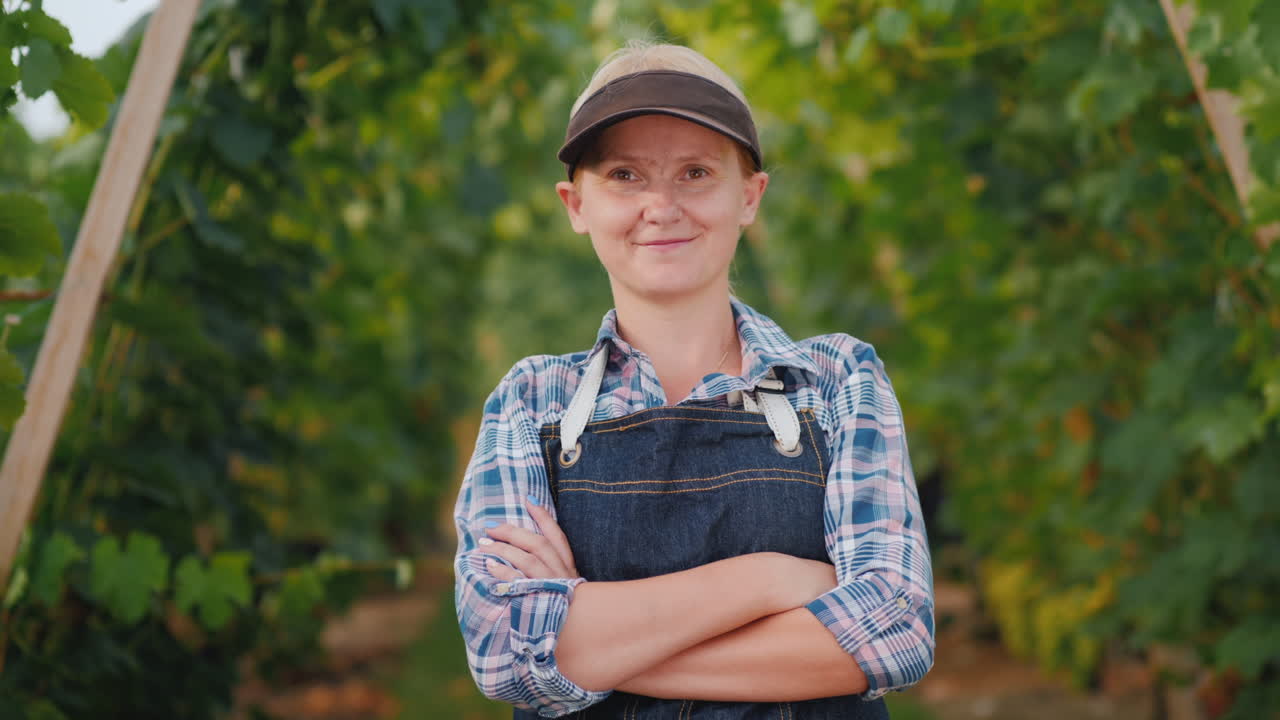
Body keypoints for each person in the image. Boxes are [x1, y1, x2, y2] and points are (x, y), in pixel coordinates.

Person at [453, 42, 934, 719]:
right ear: (576, 204)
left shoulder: (835, 382)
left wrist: (593, 640)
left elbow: (893, 634)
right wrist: (771, 580)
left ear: (750, 196)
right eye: (624, 175)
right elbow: (505, 652)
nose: (661, 205)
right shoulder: (531, 403)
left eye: (696, 173)